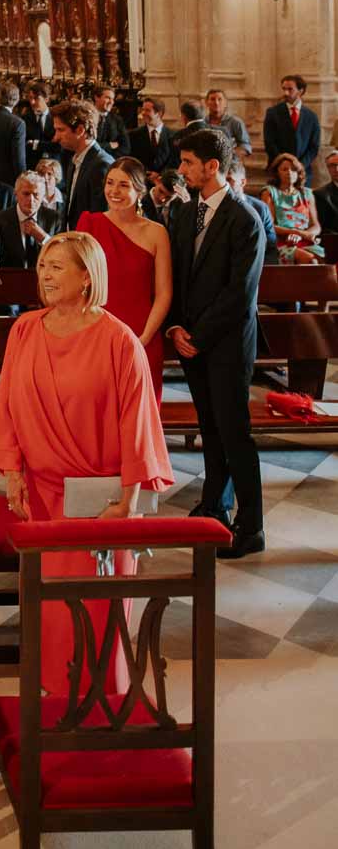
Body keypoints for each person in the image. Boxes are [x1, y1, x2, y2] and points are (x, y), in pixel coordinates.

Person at [0, 231, 172, 696]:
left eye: (56, 267)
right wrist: (12, 472)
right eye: (43, 265)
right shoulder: (25, 329)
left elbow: (139, 425)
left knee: (97, 614)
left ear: (87, 277)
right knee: (49, 611)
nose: (44, 275)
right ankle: (53, 702)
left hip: (100, 504)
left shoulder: (119, 342)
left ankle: (101, 707)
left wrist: (127, 503)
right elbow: (6, 402)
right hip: (43, 498)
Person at [167, 127, 265, 558]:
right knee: (210, 429)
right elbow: (178, 278)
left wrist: (200, 337)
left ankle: (252, 525)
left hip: (225, 345)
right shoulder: (186, 214)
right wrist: (176, 329)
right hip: (192, 342)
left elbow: (239, 293)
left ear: (212, 167)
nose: (181, 169)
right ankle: (215, 505)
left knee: (234, 433)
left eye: (188, 162)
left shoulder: (244, 219)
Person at [77, 157, 172, 398]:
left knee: (139, 416)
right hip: (96, 333)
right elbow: (79, 286)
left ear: (140, 191)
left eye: (123, 185)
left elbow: (164, 293)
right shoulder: (89, 224)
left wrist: (144, 339)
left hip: (143, 334)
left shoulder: (156, 233)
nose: (114, 191)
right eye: (110, 183)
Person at [52, 100, 113, 228]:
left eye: (60, 130)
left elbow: (101, 219)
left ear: (80, 130)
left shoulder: (102, 165)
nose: (56, 137)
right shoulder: (74, 159)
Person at [261, 152, 324, 263]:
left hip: (303, 240)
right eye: (284, 169)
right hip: (281, 242)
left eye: (293, 169)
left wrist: (302, 235)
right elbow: (269, 226)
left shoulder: (307, 193)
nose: (289, 172)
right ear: (277, 173)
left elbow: (316, 226)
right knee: (310, 260)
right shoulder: (269, 193)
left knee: (323, 260)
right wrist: (297, 232)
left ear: (299, 172)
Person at [263, 74, 321, 185]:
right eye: (284, 89)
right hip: (279, 171)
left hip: (302, 172)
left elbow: (314, 147)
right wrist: (284, 163)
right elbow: (269, 142)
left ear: (300, 91)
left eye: (290, 89)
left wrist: (300, 165)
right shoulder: (273, 113)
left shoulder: (311, 116)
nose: (286, 93)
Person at [0, 170, 57, 271]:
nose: (31, 200)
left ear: (43, 196)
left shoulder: (54, 219)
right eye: (26, 194)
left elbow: (61, 256)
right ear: (16, 194)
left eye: (36, 194)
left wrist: (43, 238)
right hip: (11, 281)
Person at [226, 161, 278, 265]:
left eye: (229, 180)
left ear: (243, 182)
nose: (225, 184)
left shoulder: (260, 208)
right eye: (222, 180)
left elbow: (270, 246)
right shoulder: (215, 206)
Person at [129, 96, 178, 174]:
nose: (143, 113)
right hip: (142, 179)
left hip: (165, 180)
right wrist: (147, 174)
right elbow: (132, 159)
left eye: (147, 110)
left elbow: (175, 160)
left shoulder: (173, 135)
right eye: (143, 110)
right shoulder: (133, 135)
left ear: (159, 113)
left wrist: (160, 175)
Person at [204, 89, 251, 156]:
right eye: (212, 99)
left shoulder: (235, 122)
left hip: (231, 162)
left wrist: (231, 154)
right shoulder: (202, 122)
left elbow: (246, 146)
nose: (216, 103)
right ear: (206, 103)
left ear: (225, 103)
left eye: (220, 99)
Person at [20, 82, 54, 161]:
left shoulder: (56, 118)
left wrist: (35, 144)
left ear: (46, 99)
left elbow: (59, 146)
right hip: (32, 165)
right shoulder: (23, 119)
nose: (32, 102)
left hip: (52, 165)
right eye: (30, 98)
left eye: (36, 98)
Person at [93, 85, 130, 157]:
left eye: (112, 99)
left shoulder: (117, 120)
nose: (111, 102)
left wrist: (109, 158)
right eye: (107, 98)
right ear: (96, 97)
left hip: (112, 163)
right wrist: (109, 145)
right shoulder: (87, 117)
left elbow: (126, 148)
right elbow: (86, 145)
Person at [313, 149, 338, 232]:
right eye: (332, 165)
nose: (337, 169)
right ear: (328, 168)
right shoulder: (320, 194)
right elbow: (324, 228)